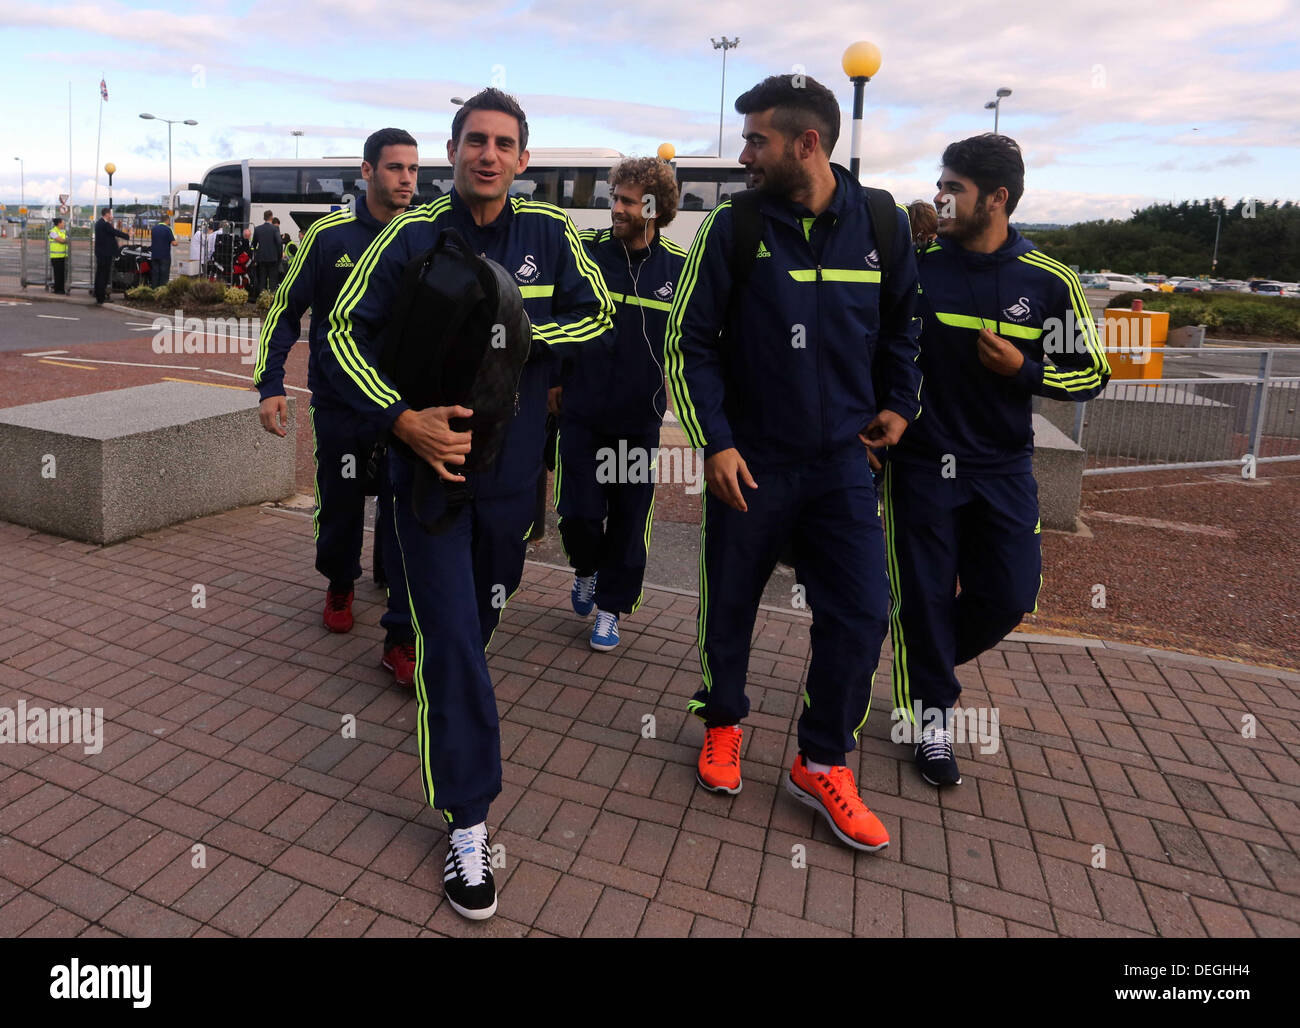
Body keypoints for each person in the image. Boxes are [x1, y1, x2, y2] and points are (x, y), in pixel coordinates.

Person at [320, 88, 613, 919]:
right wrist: (400, 420)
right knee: (450, 641)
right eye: (474, 141)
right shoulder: (411, 236)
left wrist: (519, 338)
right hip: (429, 483)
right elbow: (343, 333)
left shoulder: (554, 237)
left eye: (504, 143)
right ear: (452, 152)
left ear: (524, 160)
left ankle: (452, 712)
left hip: (512, 485)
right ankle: (469, 821)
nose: (488, 154)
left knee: (479, 631)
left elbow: (598, 319)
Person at [663, 73, 922, 853]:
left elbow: (907, 325)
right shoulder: (733, 228)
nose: (744, 154)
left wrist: (902, 402)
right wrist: (717, 440)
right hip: (754, 459)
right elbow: (689, 344)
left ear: (807, 144)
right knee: (731, 601)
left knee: (862, 610)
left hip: (844, 464)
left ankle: (821, 759)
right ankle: (725, 723)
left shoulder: (881, 221)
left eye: (757, 141)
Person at [882, 134, 1111, 787]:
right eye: (940, 183)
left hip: (1004, 468)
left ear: (998, 198)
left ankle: (919, 663)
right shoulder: (918, 267)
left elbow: (1090, 373)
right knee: (924, 597)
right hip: (923, 464)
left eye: (953, 187)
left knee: (1011, 594)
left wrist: (1024, 369)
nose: (940, 196)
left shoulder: (1047, 280)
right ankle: (929, 714)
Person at [253, 128, 419, 689]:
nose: (407, 180)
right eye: (395, 168)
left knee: (403, 510)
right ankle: (341, 584)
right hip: (341, 403)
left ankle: (400, 632)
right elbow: (286, 311)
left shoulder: (424, 236)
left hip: (403, 407)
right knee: (343, 503)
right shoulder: (329, 237)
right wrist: (270, 383)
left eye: (414, 170)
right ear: (367, 172)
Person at [554, 157, 686, 651]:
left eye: (627, 201)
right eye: (615, 197)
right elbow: (558, 318)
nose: (616, 208)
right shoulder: (584, 254)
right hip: (582, 412)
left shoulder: (677, 268)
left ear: (654, 207)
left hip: (639, 420)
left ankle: (610, 608)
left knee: (630, 520)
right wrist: (554, 379)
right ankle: (585, 568)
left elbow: (690, 344)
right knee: (579, 514)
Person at [92, 207, 129, 304]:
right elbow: (115, 232)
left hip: (102, 253)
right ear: (107, 214)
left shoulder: (100, 223)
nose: (112, 216)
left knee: (100, 274)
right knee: (103, 276)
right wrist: (127, 235)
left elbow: (110, 235)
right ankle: (101, 297)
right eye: (111, 214)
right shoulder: (104, 224)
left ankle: (98, 294)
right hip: (105, 254)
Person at [252, 210, 282, 297]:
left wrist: (257, 254)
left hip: (262, 258)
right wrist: (279, 256)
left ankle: (262, 298)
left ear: (264, 217)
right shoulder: (275, 229)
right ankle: (271, 299)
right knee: (273, 280)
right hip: (273, 259)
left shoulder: (257, 229)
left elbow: (253, 244)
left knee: (262, 280)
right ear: (271, 217)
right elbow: (279, 242)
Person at [150, 216, 176, 287]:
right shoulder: (167, 229)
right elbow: (174, 243)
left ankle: (154, 291)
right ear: (167, 220)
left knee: (155, 274)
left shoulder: (154, 229)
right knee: (164, 276)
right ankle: (161, 292)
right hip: (164, 256)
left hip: (154, 255)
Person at [48, 217, 69, 294]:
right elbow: (61, 240)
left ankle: (61, 289)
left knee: (63, 274)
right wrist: (66, 240)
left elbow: (65, 239)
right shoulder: (52, 232)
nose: (64, 224)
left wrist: (66, 240)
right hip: (56, 257)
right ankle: (58, 290)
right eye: (63, 222)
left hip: (63, 256)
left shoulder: (62, 231)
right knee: (58, 274)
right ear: (59, 223)